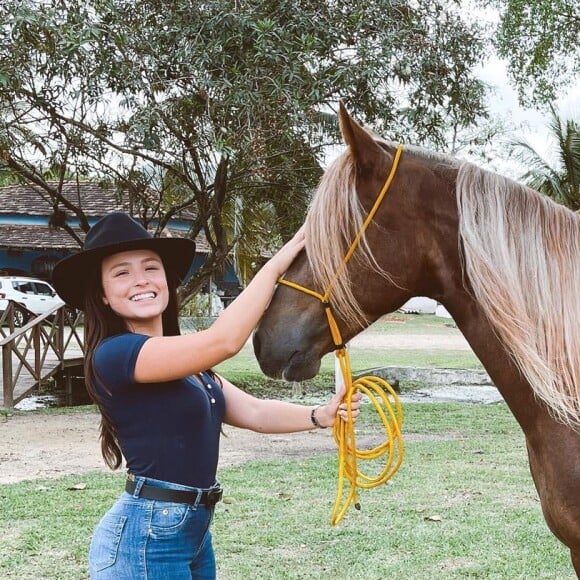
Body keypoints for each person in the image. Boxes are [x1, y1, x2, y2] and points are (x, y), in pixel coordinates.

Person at [51, 212, 361, 579]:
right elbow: (225, 341)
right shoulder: (115, 355)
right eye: (122, 273)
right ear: (102, 295)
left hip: (192, 530)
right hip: (147, 536)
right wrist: (284, 257)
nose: (141, 280)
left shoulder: (189, 365)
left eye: (151, 268)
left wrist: (320, 415)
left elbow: (256, 412)